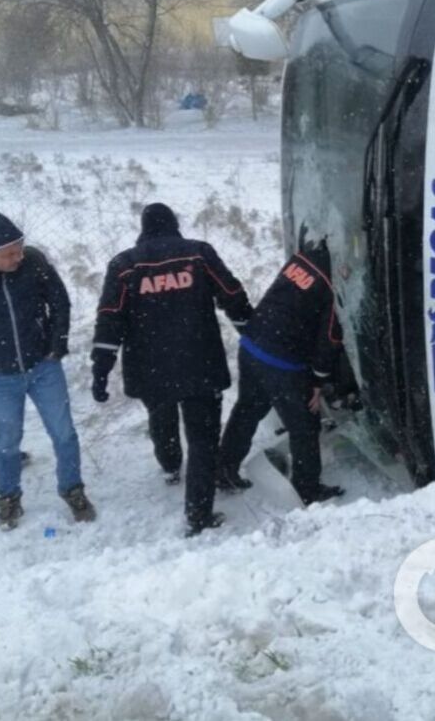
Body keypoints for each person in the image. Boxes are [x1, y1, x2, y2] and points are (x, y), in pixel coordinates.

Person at [90, 203, 251, 537]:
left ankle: (170, 464)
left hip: (150, 367)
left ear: (143, 229)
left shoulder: (124, 265)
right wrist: (251, 333)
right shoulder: (199, 254)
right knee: (203, 439)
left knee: (160, 417)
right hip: (200, 362)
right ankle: (198, 513)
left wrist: (101, 368)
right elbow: (231, 295)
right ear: (175, 225)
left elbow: (109, 319)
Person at [0, 211, 92, 530]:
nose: (18, 257)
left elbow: (60, 302)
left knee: (64, 433)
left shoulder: (34, 264)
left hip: (43, 366)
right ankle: (8, 499)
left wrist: (57, 343)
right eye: (9, 254)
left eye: (19, 249)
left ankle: (73, 490)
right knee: (5, 443)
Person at [216, 241, 347, 505]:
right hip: (281, 361)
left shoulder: (303, 259)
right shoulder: (333, 285)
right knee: (304, 425)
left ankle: (224, 470)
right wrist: (318, 381)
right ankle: (307, 489)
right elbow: (330, 337)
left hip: (252, 345)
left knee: (247, 408)